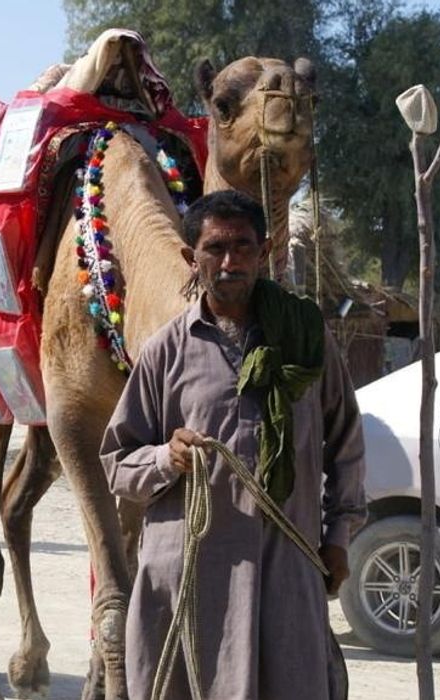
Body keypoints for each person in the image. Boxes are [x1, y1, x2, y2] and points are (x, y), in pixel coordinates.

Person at [99, 190, 366, 700]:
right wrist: (165, 457)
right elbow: (117, 462)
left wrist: (340, 536)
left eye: (243, 247)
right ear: (190, 258)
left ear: (263, 252)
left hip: (286, 566)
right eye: (215, 248)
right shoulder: (164, 353)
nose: (230, 261)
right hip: (191, 576)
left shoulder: (307, 340)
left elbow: (347, 446)